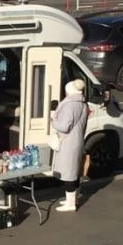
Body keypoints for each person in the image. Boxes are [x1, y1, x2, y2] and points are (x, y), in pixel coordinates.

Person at [51, 79, 89, 212]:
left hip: (69, 143)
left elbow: (64, 126)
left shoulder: (70, 105)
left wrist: (53, 120)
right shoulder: (83, 104)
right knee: (74, 172)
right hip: (77, 140)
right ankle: (73, 200)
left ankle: (71, 204)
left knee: (68, 174)